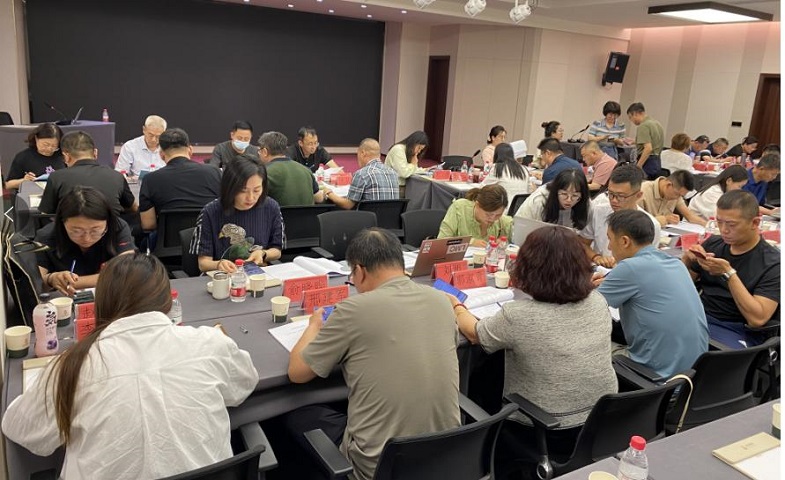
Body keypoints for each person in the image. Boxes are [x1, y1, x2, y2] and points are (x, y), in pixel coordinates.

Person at [2, 253, 258, 479]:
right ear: (167, 301)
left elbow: (21, 428)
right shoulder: (209, 343)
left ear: (101, 301)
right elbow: (243, 385)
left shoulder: (72, 365)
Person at [286, 228, 460, 480]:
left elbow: (297, 372)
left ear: (359, 271)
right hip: (447, 458)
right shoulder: (442, 300)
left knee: (299, 416)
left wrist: (313, 325)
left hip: (379, 468)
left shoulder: (353, 309)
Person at [453, 226, 616, 469]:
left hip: (545, 430)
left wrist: (456, 305)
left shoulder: (519, 315)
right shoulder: (597, 301)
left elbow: (474, 333)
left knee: (484, 368)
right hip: (599, 423)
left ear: (527, 267)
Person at [595, 210, 708, 378]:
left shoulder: (630, 268)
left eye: (610, 239)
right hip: (695, 374)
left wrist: (583, 288)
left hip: (654, 375)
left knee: (582, 346)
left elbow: (587, 309)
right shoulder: (675, 263)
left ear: (625, 241)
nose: (609, 247)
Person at [683, 190, 780, 348]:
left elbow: (757, 319)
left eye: (731, 224)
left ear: (755, 223)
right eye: (719, 222)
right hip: (698, 315)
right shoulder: (713, 244)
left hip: (736, 329)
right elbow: (684, 286)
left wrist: (728, 274)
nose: (724, 230)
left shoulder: (773, 263)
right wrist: (687, 260)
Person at [36, 186, 135, 295]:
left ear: (108, 222)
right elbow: (34, 282)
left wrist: (68, 283)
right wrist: (51, 279)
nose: (87, 239)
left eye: (95, 231)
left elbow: (127, 273)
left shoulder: (117, 228)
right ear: (62, 223)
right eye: (77, 231)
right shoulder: (46, 236)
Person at [191, 155, 282, 273]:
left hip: (257, 276)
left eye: (256, 190)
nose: (251, 197)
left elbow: (277, 250)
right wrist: (219, 264)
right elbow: (203, 264)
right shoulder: (211, 212)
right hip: (224, 276)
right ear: (230, 187)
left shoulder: (271, 207)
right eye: (243, 190)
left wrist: (263, 253)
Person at [139, 128, 221, 231]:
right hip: (209, 238)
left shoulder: (150, 179)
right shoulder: (215, 172)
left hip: (168, 240)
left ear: (161, 154)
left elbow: (148, 224)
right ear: (190, 150)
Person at [580, 164, 661, 268]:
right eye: (610, 194)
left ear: (638, 195)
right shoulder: (598, 211)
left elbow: (649, 262)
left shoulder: (652, 225)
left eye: (621, 196)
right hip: (600, 268)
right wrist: (596, 257)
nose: (614, 200)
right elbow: (582, 243)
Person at [39, 131, 137, 216]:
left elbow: (46, 213)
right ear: (95, 153)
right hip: (111, 230)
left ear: (66, 156)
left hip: (70, 230)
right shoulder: (117, 176)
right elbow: (133, 207)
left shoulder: (56, 177)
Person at [323, 138, 398, 209]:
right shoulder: (393, 173)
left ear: (363, 153)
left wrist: (329, 193)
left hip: (369, 217)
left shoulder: (362, 174)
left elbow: (348, 205)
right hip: (391, 218)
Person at [258, 131, 324, 206]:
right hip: (308, 213)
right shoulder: (306, 170)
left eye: (259, 151)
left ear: (265, 152)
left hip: (280, 213)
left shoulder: (263, 173)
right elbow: (319, 198)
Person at [438, 184, 512, 247]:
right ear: (477, 205)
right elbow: (441, 240)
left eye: (498, 215)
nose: (492, 219)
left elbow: (514, 244)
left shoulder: (504, 222)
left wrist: (504, 242)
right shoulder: (459, 208)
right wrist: (470, 242)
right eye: (488, 214)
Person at [515, 169, 591, 230]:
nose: (569, 200)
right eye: (564, 194)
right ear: (555, 191)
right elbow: (526, 229)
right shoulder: (540, 200)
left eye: (575, 195)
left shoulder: (586, 203)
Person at [4, 123, 65, 190]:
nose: (49, 149)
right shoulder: (24, 157)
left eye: (54, 146)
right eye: (45, 145)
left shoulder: (63, 155)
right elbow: (8, 185)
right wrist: (24, 181)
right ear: (36, 139)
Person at [638, 170, 705, 226]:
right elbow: (637, 223)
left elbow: (690, 216)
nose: (677, 198)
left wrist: (707, 225)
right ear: (668, 185)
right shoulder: (643, 191)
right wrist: (664, 219)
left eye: (681, 196)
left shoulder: (676, 194)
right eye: (677, 194)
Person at [480, 142, 530, 208]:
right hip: (520, 210)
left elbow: (482, 187)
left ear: (497, 155)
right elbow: (529, 190)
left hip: (503, 209)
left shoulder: (498, 168)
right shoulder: (524, 169)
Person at [626, 102, 663, 180]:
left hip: (647, 162)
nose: (631, 120)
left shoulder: (643, 126)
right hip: (657, 161)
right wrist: (635, 141)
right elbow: (653, 141)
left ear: (635, 114)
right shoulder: (657, 124)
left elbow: (648, 148)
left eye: (630, 117)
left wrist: (638, 167)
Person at [385, 130, 429, 196]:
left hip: (403, 186)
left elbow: (412, 171)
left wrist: (424, 170)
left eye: (421, 149)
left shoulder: (409, 151)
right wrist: (413, 164)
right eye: (419, 148)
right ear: (413, 143)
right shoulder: (398, 150)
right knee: (420, 194)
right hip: (394, 187)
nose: (419, 151)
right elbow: (404, 173)